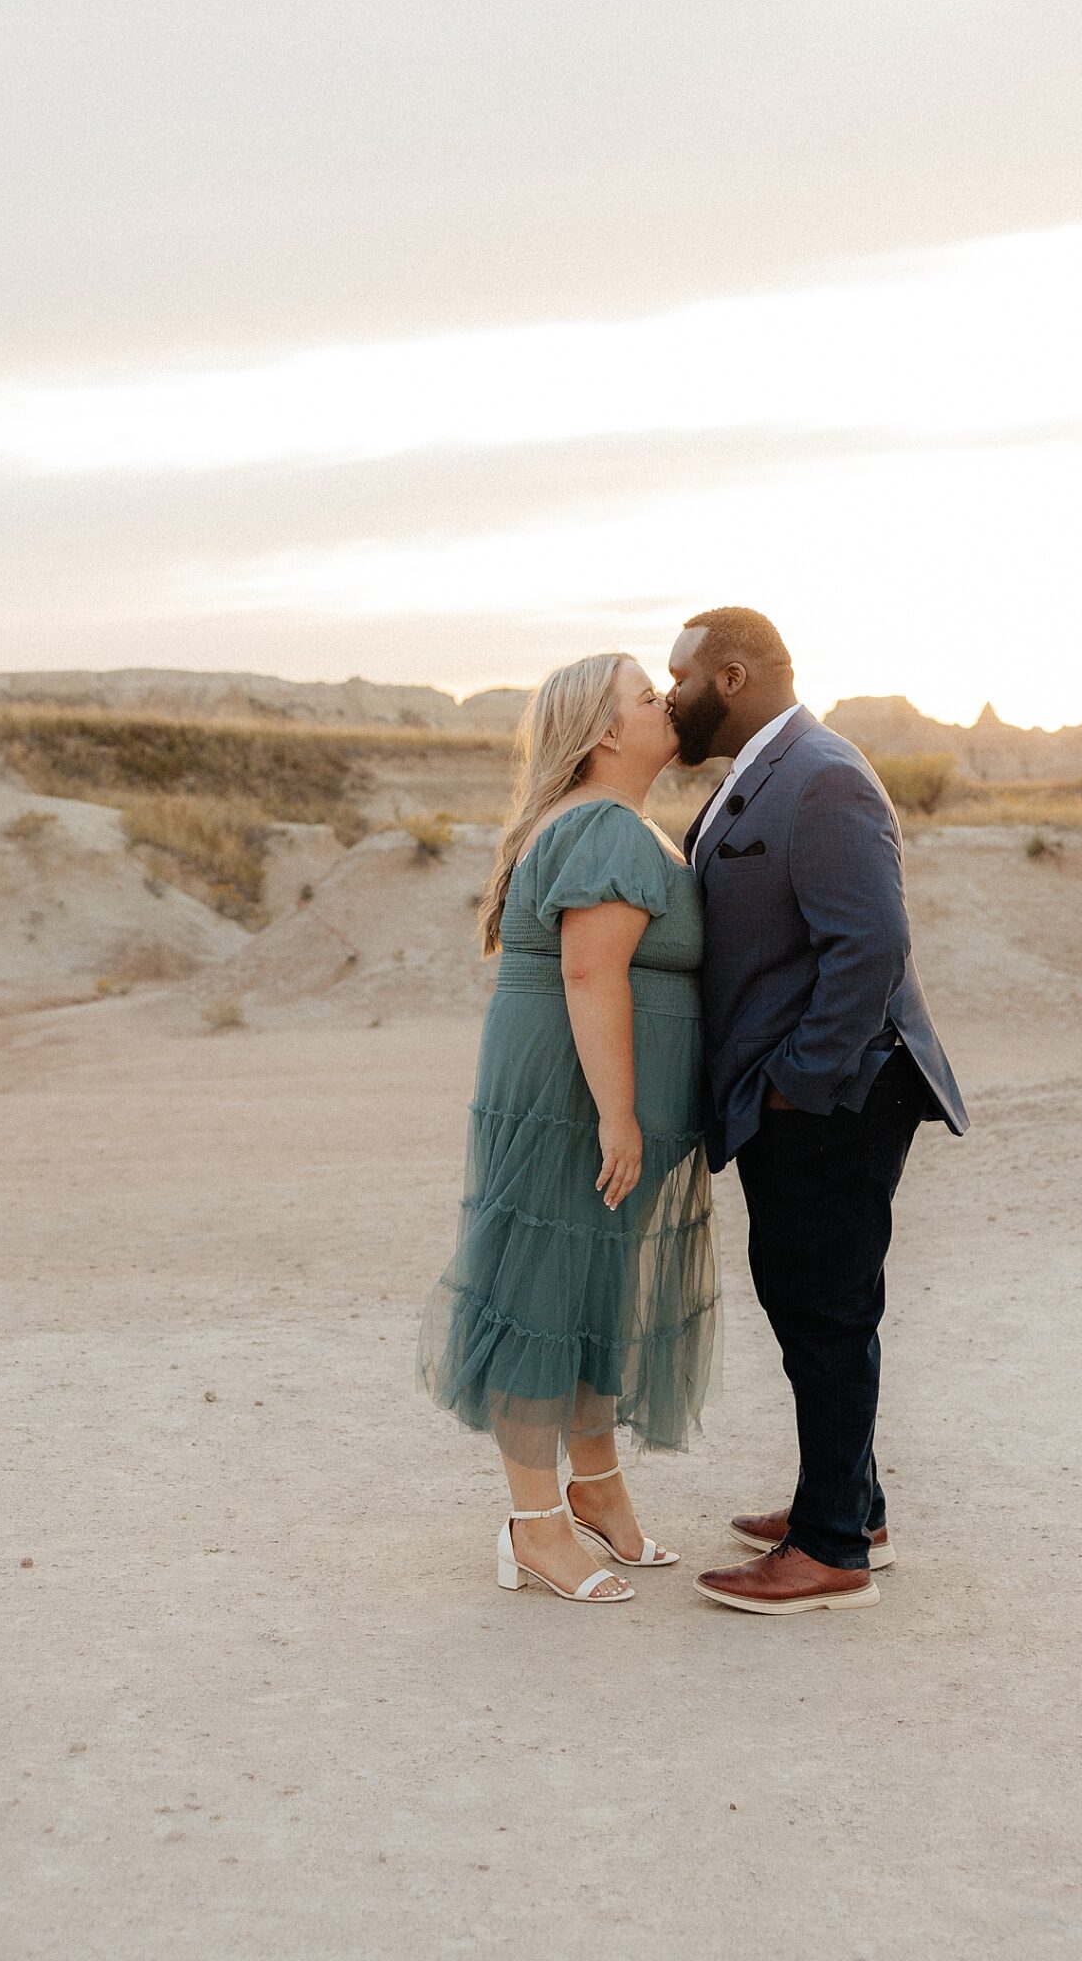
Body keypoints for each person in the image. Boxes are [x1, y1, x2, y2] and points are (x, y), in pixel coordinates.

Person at [668, 607, 967, 1616]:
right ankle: (851, 1507)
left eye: (679, 677)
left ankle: (832, 1552)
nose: (670, 697)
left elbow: (870, 943)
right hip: (805, 1092)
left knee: (823, 1308)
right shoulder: (765, 772)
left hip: (835, 1094)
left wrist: (800, 1077)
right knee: (812, 1301)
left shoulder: (822, 774)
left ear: (731, 675)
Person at [420, 653, 718, 1604]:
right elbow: (590, 975)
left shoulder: (611, 822)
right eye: (647, 696)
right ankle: (535, 1525)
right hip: (575, 1099)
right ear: (604, 732)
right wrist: (618, 1117)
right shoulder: (602, 828)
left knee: (595, 1292)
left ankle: (595, 1490)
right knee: (546, 1294)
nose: (667, 703)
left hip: (580, 1092)